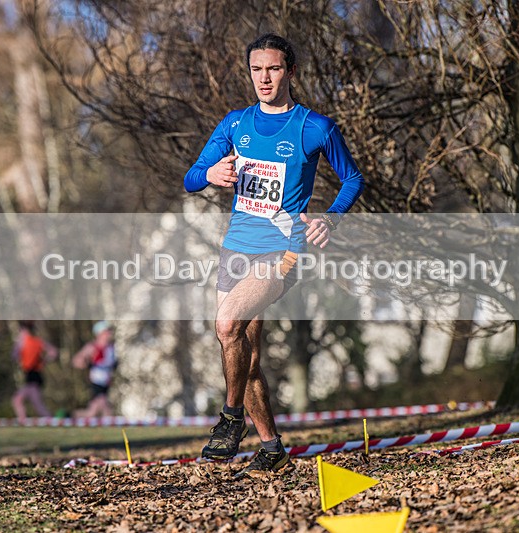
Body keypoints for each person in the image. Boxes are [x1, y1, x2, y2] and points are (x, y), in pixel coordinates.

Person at [183, 33, 364, 478]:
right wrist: (211, 172)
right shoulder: (235, 124)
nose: (264, 78)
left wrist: (331, 218)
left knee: (226, 325)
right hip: (235, 251)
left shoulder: (314, 127)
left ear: (291, 71)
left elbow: (353, 179)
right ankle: (272, 447)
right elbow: (190, 178)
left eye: (274, 69)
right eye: (256, 69)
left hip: (284, 251)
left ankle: (230, 419)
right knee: (245, 354)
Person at [11, 320, 58, 423]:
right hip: (32, 376)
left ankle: (23, 421)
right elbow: (53, 352)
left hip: (33, 376)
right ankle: (50, 420)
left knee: (18, 400)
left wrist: (18, 346)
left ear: (23, 330)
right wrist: (44, 360)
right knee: (36, 404)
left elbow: (13, 356)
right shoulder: (37, 341)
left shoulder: (27, 343)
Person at [73, 321, 118, 418]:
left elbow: (113, 364)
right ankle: (110, 424)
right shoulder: (92, 346)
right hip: (96, 380)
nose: (110, 334)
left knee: (92, 412)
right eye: (107, 331)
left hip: (106, 381)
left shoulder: (111, 347)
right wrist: (83, 362)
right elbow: (77, 360)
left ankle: (69, 416)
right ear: (100, 334)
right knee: (104, 404)